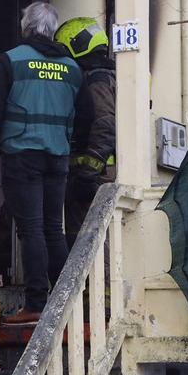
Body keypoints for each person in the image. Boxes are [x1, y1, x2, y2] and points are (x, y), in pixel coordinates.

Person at [0, 1, 82, 324]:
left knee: (32, 228)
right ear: (53, 29)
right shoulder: (73, 69)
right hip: (58, 157)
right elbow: (87, 115)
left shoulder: (10, 61)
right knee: (54, 229)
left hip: (22, 156)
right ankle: (68, 305)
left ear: (26, 28)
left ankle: (36, 304)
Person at [54, 17, 116, 248]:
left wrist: (89, 171)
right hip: (99, 171)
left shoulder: (96, 80)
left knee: (88, 237)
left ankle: (95, 285)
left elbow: (105, 124)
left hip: (96, 173)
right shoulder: (113, 75)